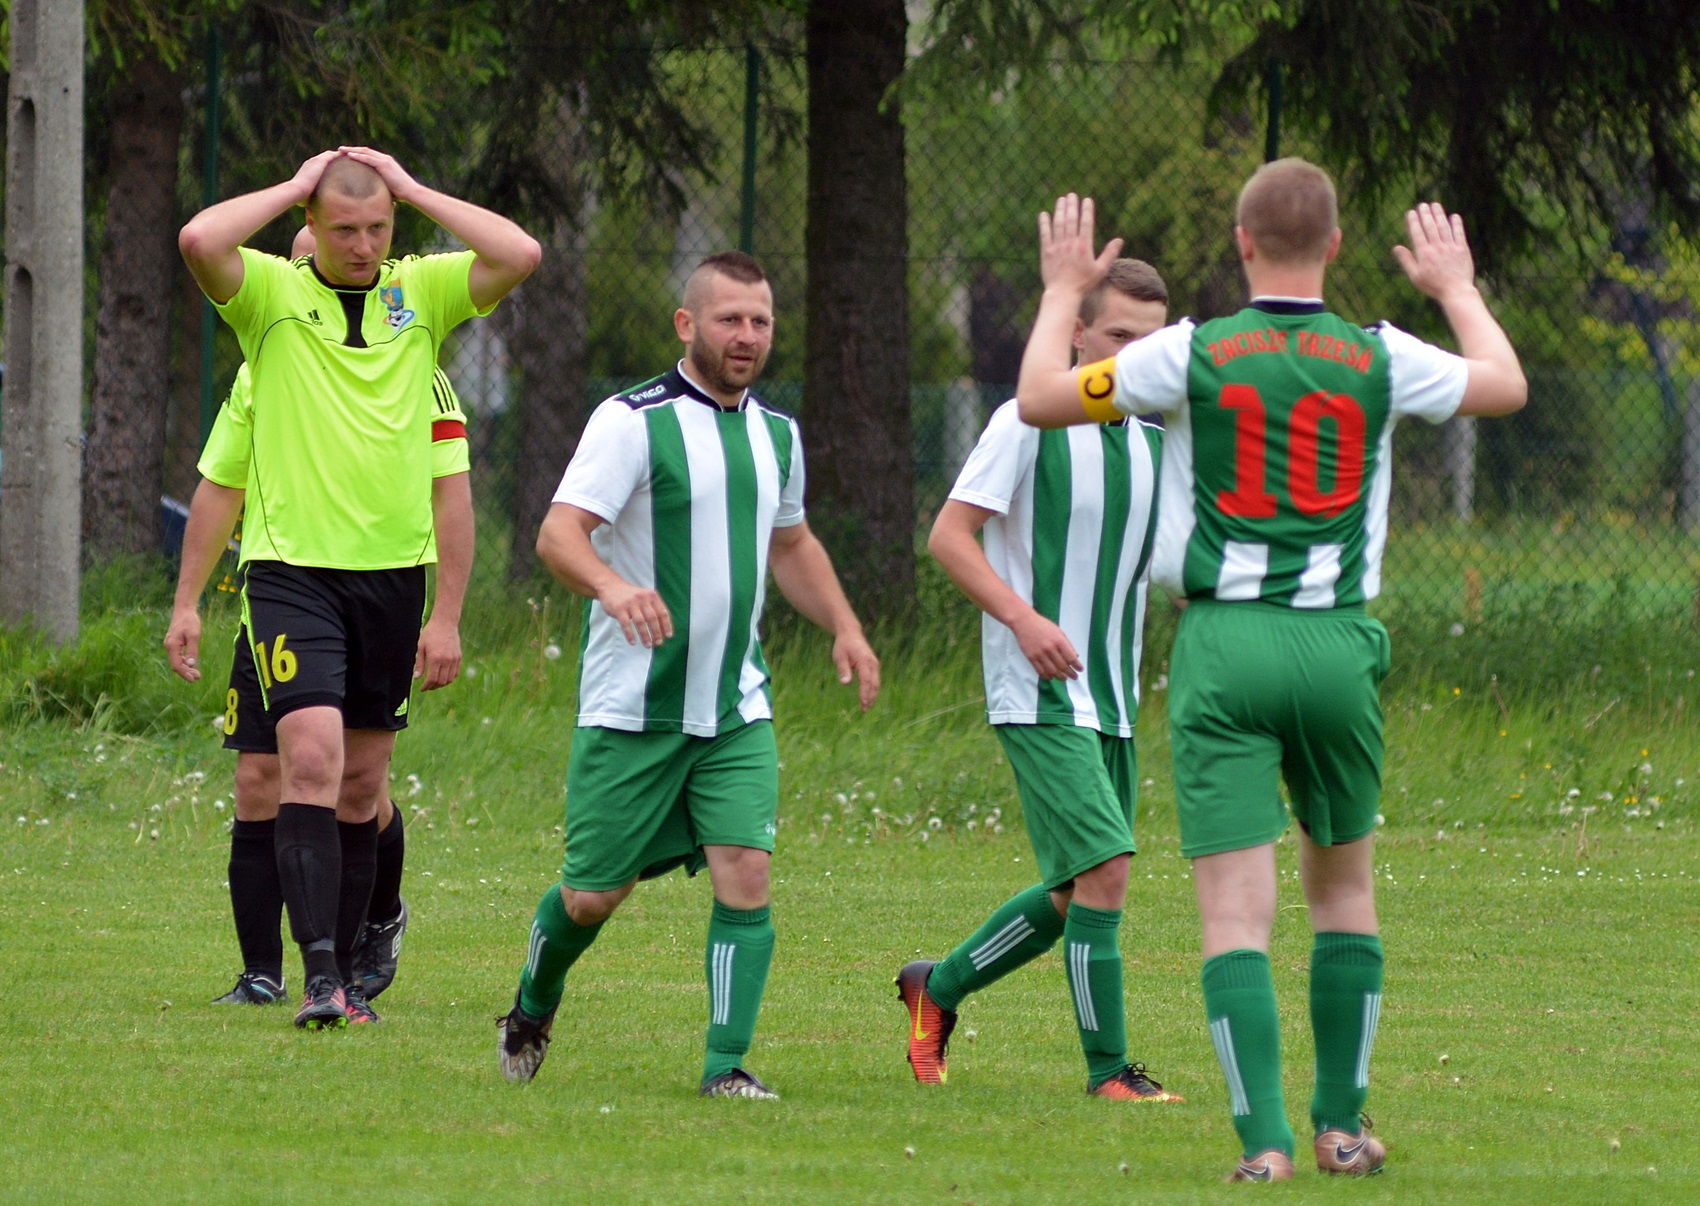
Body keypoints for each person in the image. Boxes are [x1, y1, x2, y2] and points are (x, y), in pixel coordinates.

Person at [1015, 161, 1526, 1181]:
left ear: (1241, 244)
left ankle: (1263, 1145)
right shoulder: (1378, 355)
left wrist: (1062, 290)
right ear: (1333, 247)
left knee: (1233, 915)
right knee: (1340, 894)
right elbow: (1504, 386)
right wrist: (1455, 288)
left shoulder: (1188, 352)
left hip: (1224, 649)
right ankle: (1341, 1127)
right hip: (1336, 646)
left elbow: (1036, 399)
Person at [495, 250, 880, 1100]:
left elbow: (792, 543)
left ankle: (725, 1068)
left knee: (747, 868)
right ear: (687, 325)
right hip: (631, 708)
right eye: (729, 319)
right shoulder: (631, 421)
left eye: (761, 321)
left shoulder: (778, 434)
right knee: (593, 897)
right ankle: (532, 1001)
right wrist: (614, 585)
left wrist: (846, 627)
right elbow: (560, 535)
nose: (747, 336)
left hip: (735, 704)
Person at [176, 146, 538, 1029]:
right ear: (310, 228)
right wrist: (296, 188)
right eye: (345, 228)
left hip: (390, 581)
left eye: (379, 228)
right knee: (300, 761)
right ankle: (318, 979)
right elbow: (198, 237)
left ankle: (351, 954)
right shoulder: (270, 301)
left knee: (360, 785)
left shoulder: (422, 296)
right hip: (291, 571)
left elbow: (519, 254)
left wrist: (412, 188)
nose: (364, 244)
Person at [898, 258, 1182, 1103]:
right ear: (1078, 335)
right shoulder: (1028, 420)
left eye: (1152, 342)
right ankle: (1109, 1076)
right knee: (1108, 871)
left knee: (1072, 892)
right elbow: (949, 536)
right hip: (1039, 691)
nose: (1136, 357)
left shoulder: (1158, 443)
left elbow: (1168, 570)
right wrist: (1024, 620)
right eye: (1121, 338)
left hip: (1116, 700)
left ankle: (937, 988)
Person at [167, 258, 472, 1005]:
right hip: (278, 596)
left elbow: (450, 492)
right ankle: (271, 975)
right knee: (265, 777)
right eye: (313, 256)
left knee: (355, 783)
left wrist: (447, 615)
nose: (336, 269)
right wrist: (188, 600)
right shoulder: (265, 360)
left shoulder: (415, 363)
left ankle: (370, 928)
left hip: (378, 590)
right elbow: (222, 484)